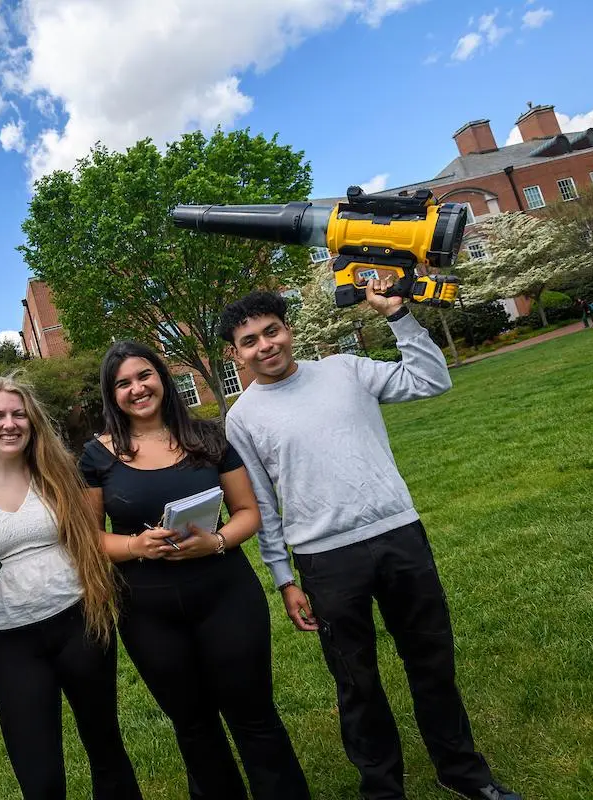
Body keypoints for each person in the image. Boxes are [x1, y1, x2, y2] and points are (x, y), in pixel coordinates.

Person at [218, 284, 521, 800]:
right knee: (356, 684)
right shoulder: (242, 418)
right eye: (250, 341)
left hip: (399, 534)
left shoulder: (345, 370)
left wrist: (399, 315)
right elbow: (263, 507)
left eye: (272, 331)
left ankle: (462, 772)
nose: (265, 346)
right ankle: (382, 790)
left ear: (288, 329)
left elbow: (430, 379)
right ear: (235, 353)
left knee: (432, 662)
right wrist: (284, 577)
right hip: (325, 559)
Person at [78, 341, 310, 800]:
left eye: (144, 376)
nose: (137, 389)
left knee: (254, 715)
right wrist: (137, 545)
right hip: (147, 611)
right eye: (123, 383)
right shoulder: (98, 456)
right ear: (112, 395)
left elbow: (247, 510)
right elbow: (89, 539)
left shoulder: (208, 438)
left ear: (162, 377)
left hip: (225, 595)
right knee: (193, 724)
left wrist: (217, 540)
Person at [0, 375, 142, 800]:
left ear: (31, 421)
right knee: (39, 775)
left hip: (80, 624)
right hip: (13, 642)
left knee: (106, 750)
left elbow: (89, 538)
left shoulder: (54, 471)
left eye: (18, 414)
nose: (9, 424)